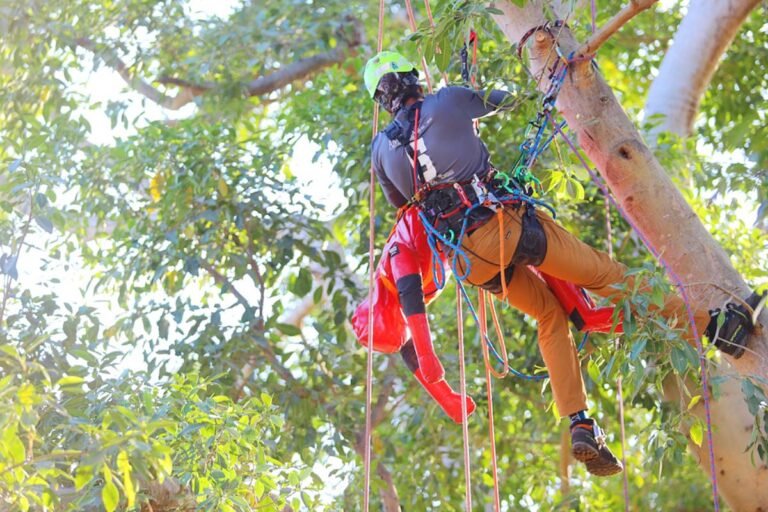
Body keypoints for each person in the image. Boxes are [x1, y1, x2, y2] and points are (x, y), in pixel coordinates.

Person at [362, 50, 711, 478]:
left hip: (470, 263)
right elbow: (508, 100)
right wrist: (463, 101)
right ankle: (712, 326)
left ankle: (580, 423)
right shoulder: (447, 100)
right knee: (607, 276)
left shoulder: (381, 149)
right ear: (413, 77)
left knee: (550, 315)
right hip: (504, 226)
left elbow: (407, 207)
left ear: (382, 100)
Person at [351, 206, 476, 424]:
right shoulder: (398, 306)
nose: (407, 327)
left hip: (434, 209)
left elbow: (412, 299)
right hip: (453, 234)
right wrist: (446, 398)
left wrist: (428, 354)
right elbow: (410, 351)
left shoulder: (392, 266)